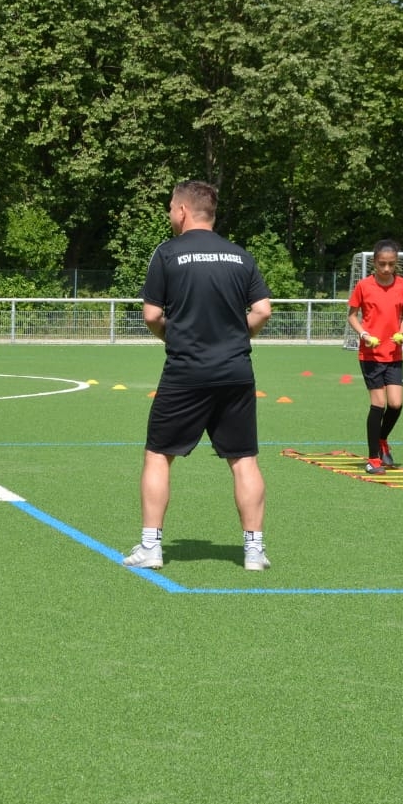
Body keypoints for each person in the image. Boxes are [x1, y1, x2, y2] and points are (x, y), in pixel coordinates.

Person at [123, 180, 273, 573]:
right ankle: (254, 551)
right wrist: (236, 337)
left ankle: (151, 546)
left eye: (171, 207)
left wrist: (173, 337)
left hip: (186, 371)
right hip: (235, 371)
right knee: (244, 459)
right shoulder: (240, 256)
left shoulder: (167, 253)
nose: (170, 214)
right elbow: (262, 310)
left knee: (159, 455)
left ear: (183, 211)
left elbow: (152, 315)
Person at [347, 240, 403, 475]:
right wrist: (364, 334)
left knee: (396, 404)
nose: (386, 268)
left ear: (396, 263)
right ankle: (373, 459)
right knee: (378, 403)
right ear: (374, 262)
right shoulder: (363, 286)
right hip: (371, 354)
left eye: (391, 264)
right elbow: (352, 316)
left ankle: (382, 439)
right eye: (382, 264)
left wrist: (402, 332)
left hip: (393, 353)